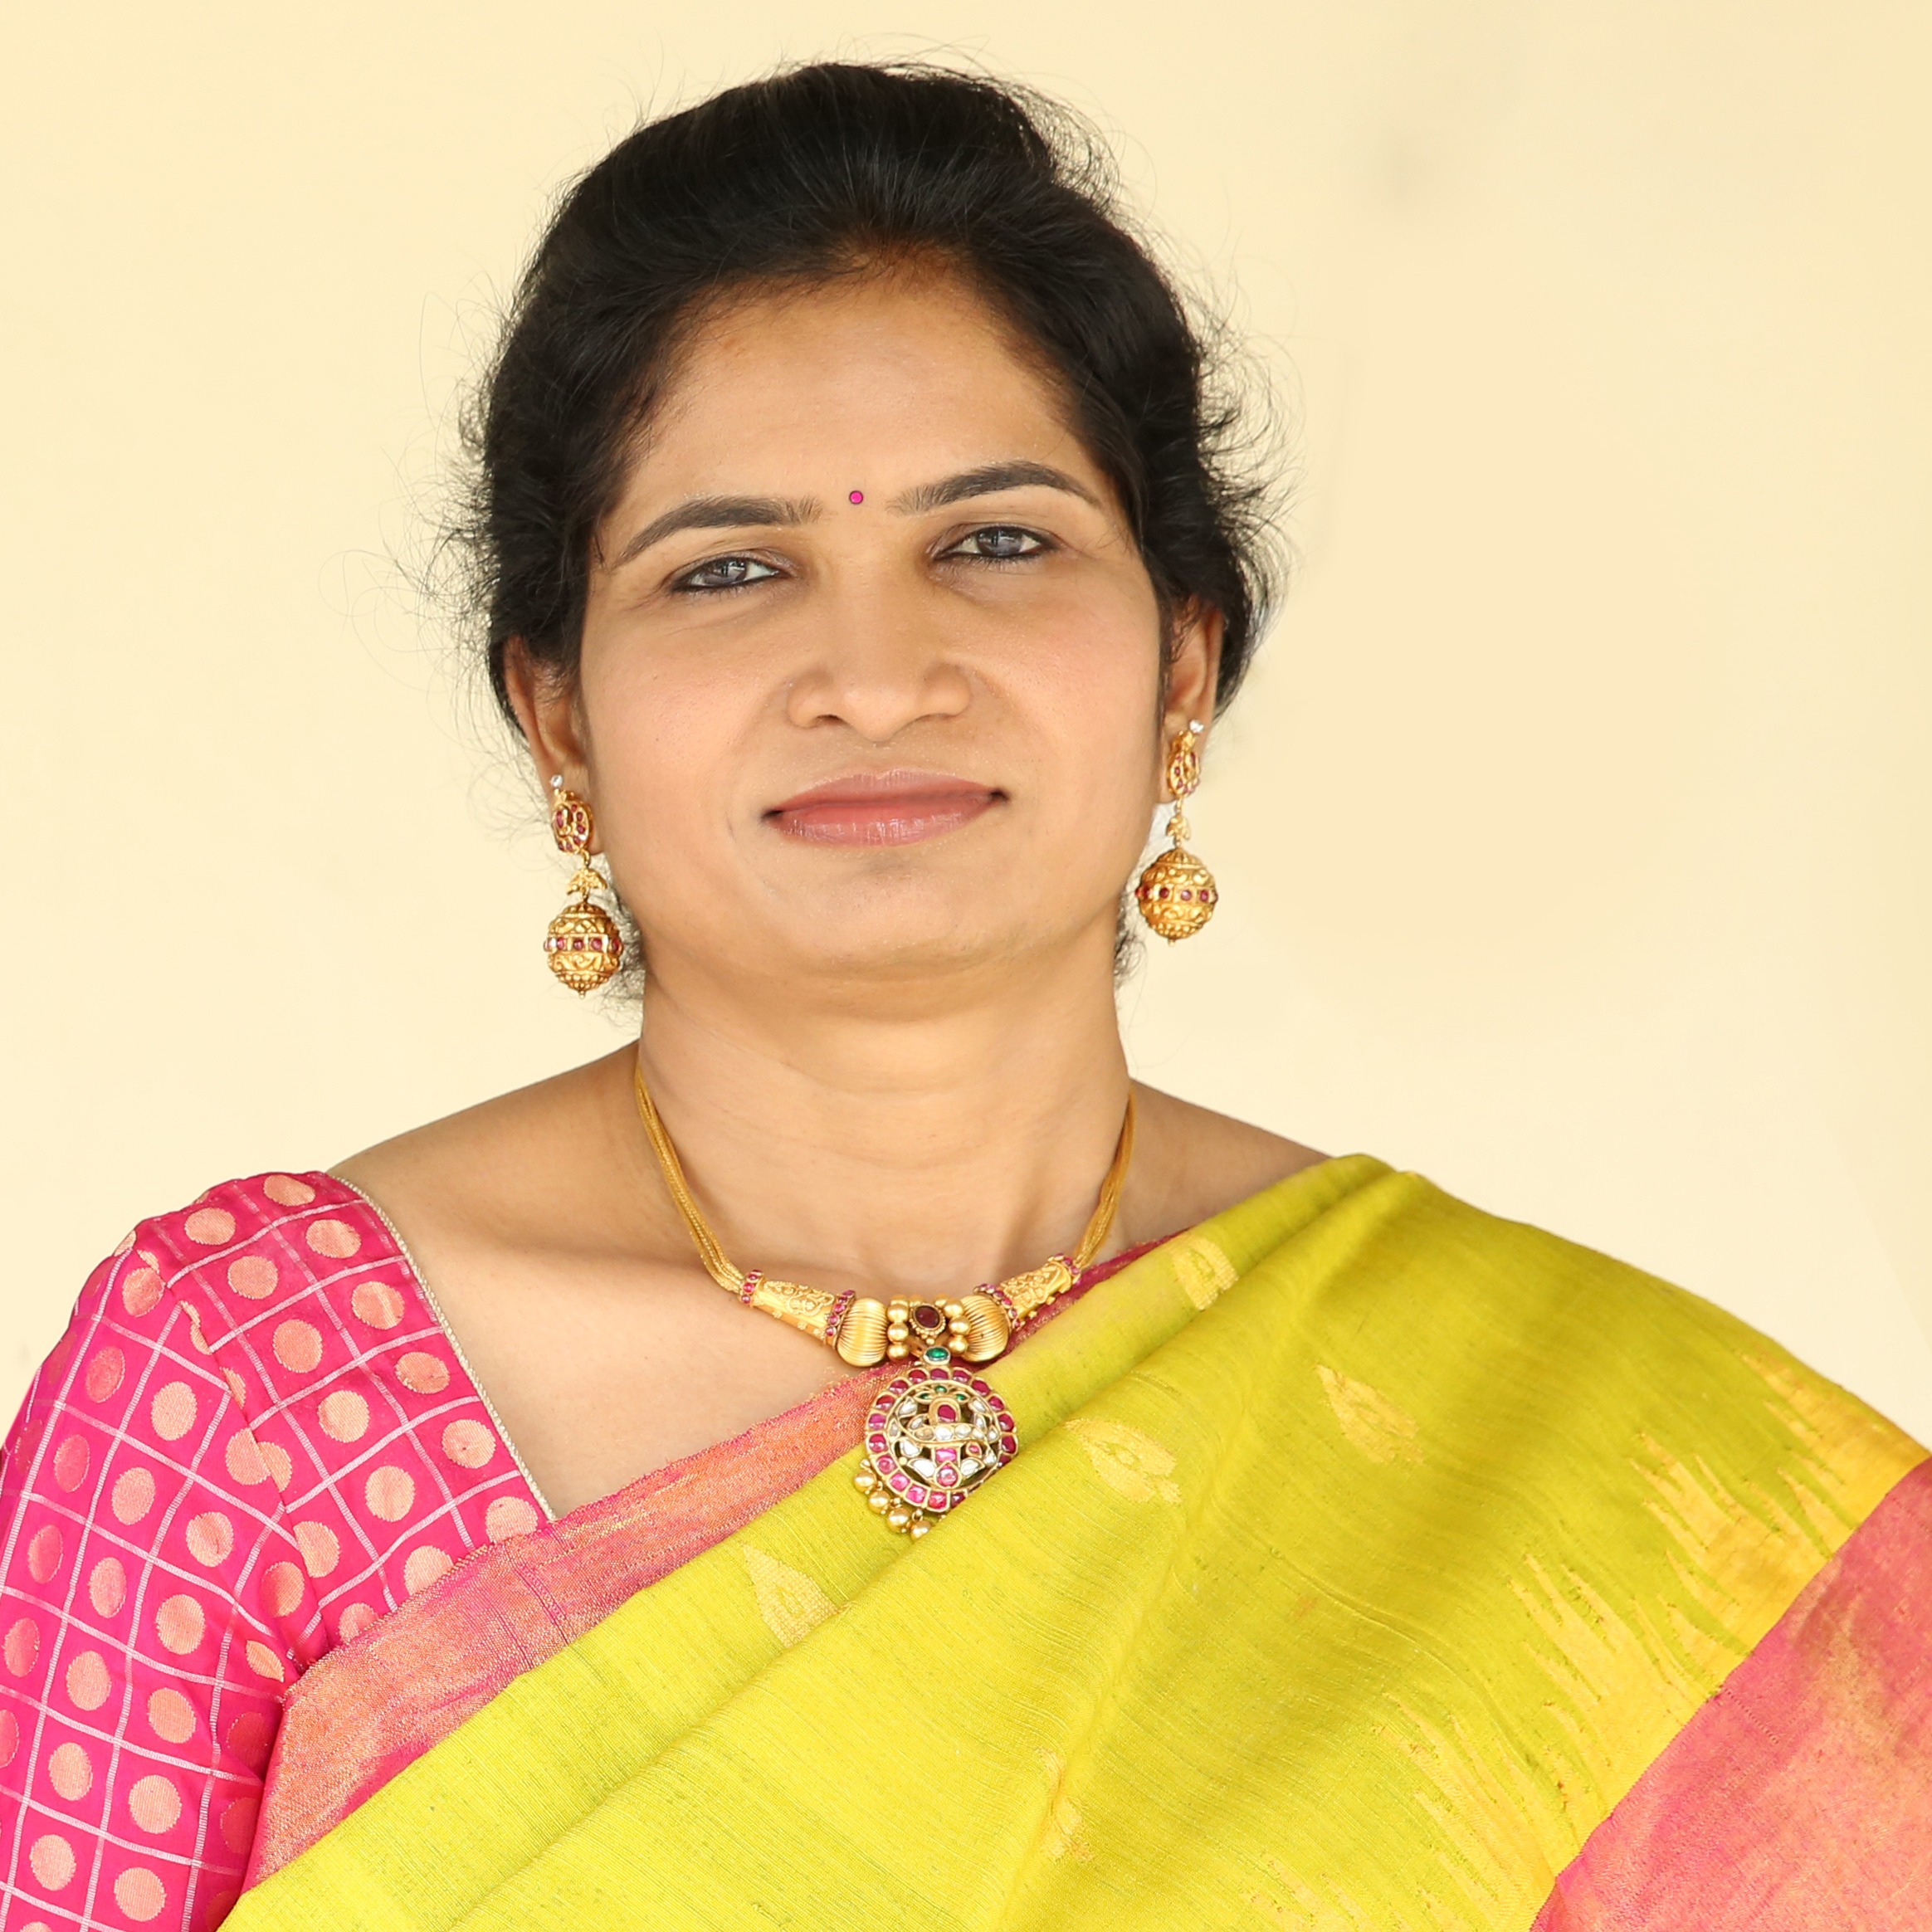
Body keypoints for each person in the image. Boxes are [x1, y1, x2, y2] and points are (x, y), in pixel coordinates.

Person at [2, 59, 1925, 1932]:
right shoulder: (255, 1395)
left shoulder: (1539, 1452)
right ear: (557, 711)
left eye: (996, 543)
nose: (876, 673)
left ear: (1185, 662)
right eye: (728, 570)